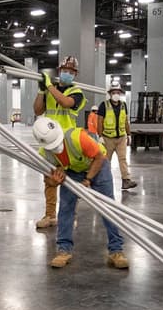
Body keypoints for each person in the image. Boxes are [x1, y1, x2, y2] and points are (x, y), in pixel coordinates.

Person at [31, 116, 128, 270]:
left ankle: (116, 251)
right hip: (73, 172)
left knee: (108, 207)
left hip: (98, 167)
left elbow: (99, 157)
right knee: (65, 209)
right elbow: (48, 181)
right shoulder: (45, 154)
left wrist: (88, 179)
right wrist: (55, 180)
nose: (57, 148)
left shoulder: (77, 137)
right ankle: (64, 250)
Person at [31, 56, 87, 229]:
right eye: (64, 70)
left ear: (75, 74)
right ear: (59, 70)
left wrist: (49, 86)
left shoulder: (76, 92)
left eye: (70, 72)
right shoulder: (50, 89)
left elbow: (65, 102)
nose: (66, 74)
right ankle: (50, 216)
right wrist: (42, 91)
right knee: (49, 181)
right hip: (49, 143)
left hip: (67, 143)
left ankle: (69, 216)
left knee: (69, 183)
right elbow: (38, 110)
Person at [95, 81, 138, 189]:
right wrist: (100, 136)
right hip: (108, 138)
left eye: (117, 92)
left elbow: (125, 121)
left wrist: (129, 134)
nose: (116, 94)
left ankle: (126, 180)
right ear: (110, 94)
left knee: (123, 159)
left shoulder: (123, 105)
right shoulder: (104, 105)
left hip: (121, 138)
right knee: (105, 161)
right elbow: (99, 121)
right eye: (113, 92)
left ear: (120, 93)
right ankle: (103, 181)